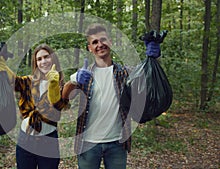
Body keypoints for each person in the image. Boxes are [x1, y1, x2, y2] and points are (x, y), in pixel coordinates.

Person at [51, 23, 162, 169]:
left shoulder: (125, 73)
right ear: (89, 48)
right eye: (94, 42)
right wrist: (73, 81)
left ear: (110, 42)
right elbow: (63, 100)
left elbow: (147, 78)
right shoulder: (84, 73)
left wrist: (152, 58)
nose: (100, 44)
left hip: (117, 143)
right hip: (88, 143)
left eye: (103, 40)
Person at [0, 44, 66, 169]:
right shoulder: (29, 81)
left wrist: (53, 86)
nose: (43, 61)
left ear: (53, 58)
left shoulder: (62, 86)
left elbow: (58, 105)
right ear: (36, 63)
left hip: (48, 141)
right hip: (25, 140)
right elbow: (14, 81)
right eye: (39, 59)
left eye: (46, 57)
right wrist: (3, 66)